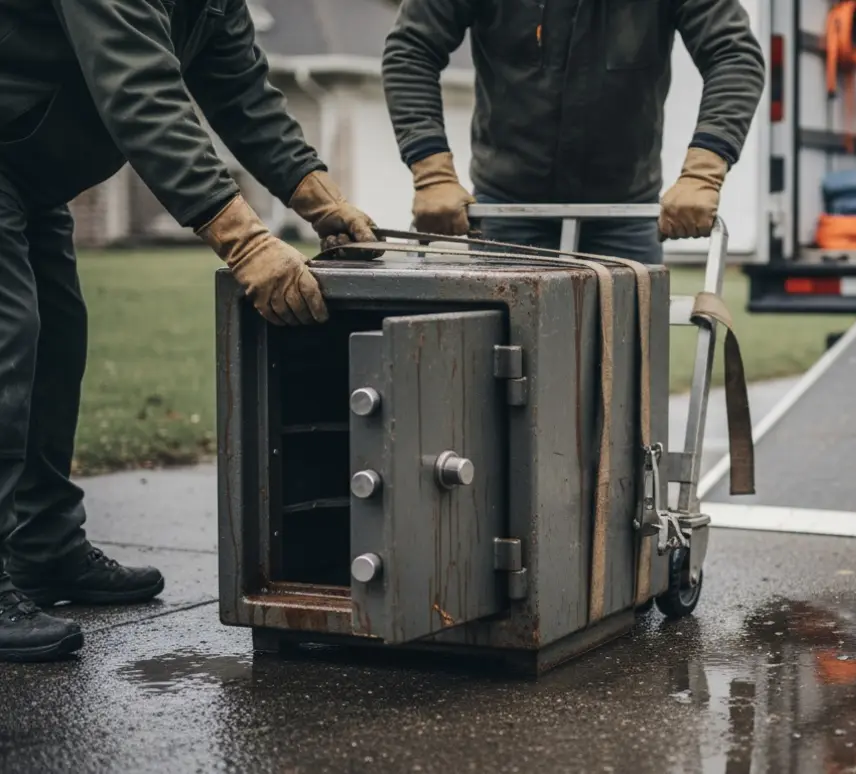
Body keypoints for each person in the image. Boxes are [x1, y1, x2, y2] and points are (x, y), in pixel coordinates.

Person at [0, 0, 378, 662]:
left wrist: (320, 198)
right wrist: (244, 239)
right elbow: (140, 88)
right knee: (9, 340)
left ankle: (44, 547)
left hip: (30, 176)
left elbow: (241, 93)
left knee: (57, 346)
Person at [381, 0, 766, 259]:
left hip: (625, 213)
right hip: (509, 210)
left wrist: (702, 175)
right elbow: (412, 49)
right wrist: (433, 176)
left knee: (627, 354)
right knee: (503, 353)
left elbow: (733, 55)